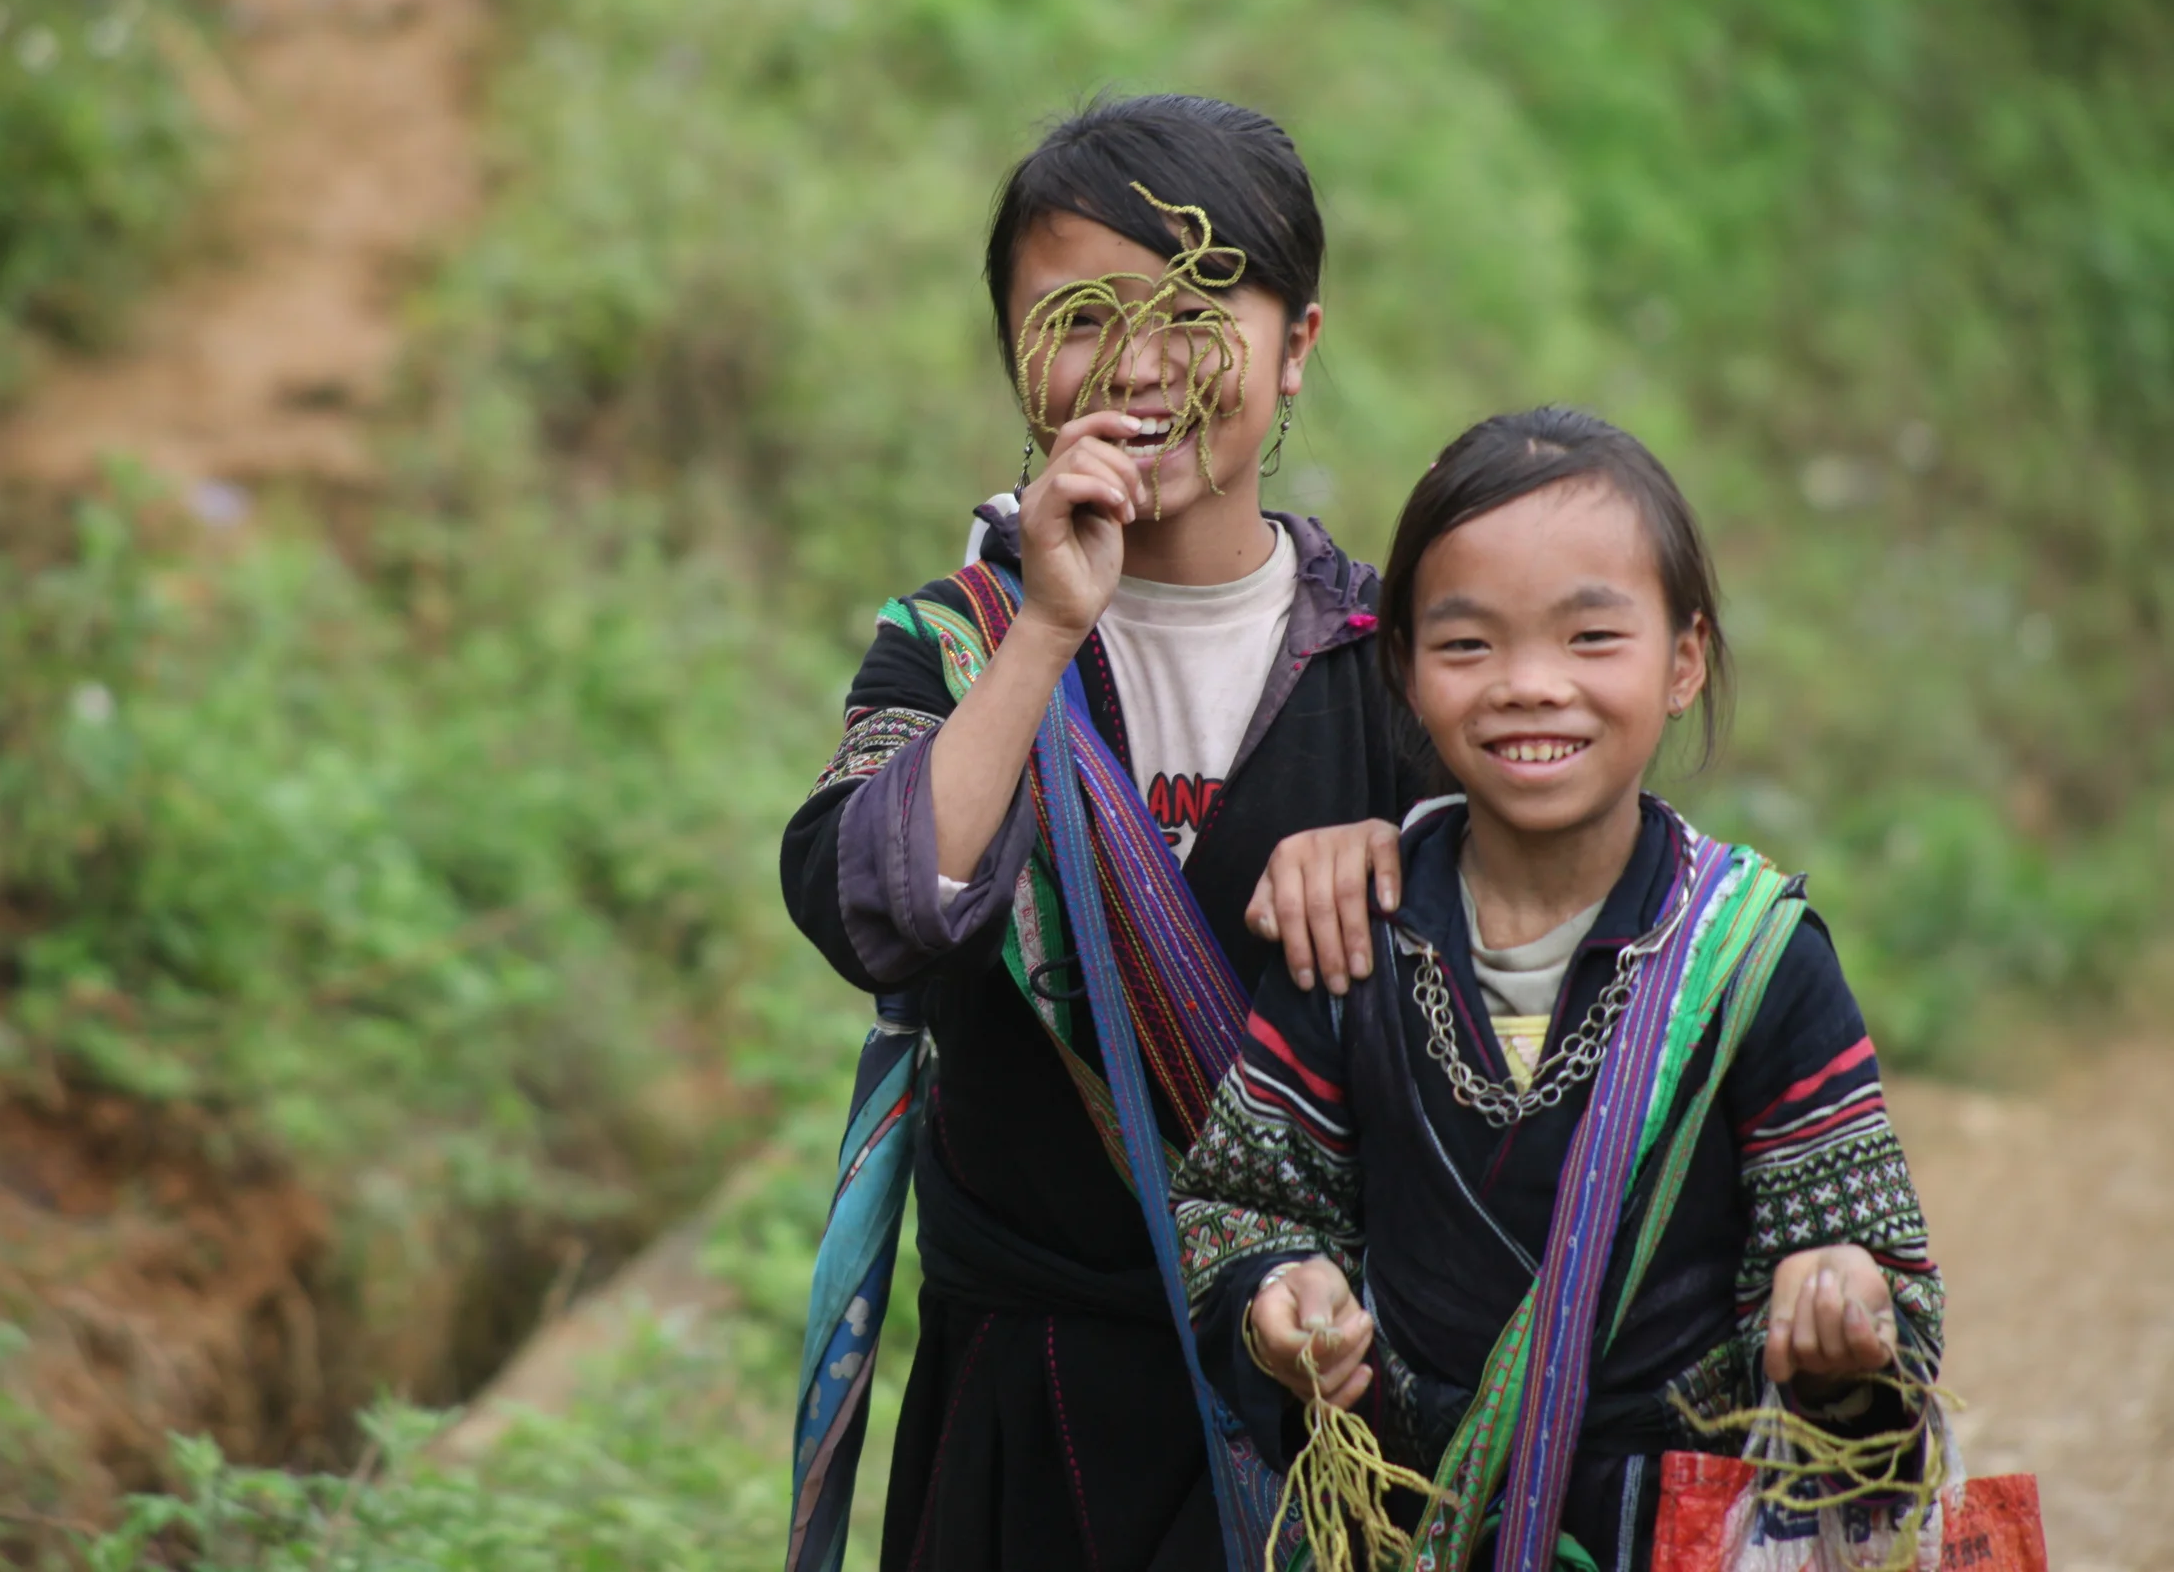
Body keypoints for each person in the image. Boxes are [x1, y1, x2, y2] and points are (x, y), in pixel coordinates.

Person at [780, 94, 1420, 1572]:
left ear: (1298, 345)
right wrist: (1049, 626)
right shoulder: (955, 646)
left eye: (1196, 313)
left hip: (1327, 1395)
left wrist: (1409, 863)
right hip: (1024, 1414)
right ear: (1014, 350)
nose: (1136, 364)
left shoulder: (1400, 666)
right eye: (1078, 317)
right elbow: (876, 906)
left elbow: (1547, 949)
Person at [1172, 407, 1944, 1571]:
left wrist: (1839, 1305)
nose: (1531, 685)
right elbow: (1241, 1208)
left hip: (1681, 1534)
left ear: (1682, 659)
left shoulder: (1755, 958)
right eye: (1468, 644)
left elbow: (1887, 1291)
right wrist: (1281, 1295)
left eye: (1590, 638)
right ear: (1404, 670)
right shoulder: (1354, 941)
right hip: (1415, 1525)